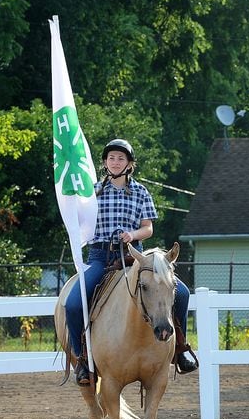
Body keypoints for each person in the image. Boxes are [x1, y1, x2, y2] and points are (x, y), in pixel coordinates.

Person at [65, 139, 197, 386]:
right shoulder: (90, 192)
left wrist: (132, 235)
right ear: (104, 162)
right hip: (100, 256)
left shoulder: (140, 192)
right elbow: (78, 220)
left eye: (121, 158)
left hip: (134, 257)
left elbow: (148, 228)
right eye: (111, 158)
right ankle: (83, 359)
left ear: (129, 164)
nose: (115, 162)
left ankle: (180, 349)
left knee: (182, 293)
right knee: (73, 304)